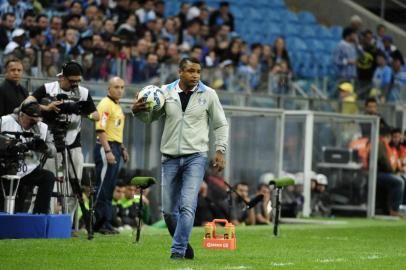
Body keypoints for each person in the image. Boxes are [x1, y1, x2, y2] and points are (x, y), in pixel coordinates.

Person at [132, 57, 229, 260]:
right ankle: (184, 246)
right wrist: (137, 112)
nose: (195, 75)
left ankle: (177, 251)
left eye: (198, 71)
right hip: (169, 158)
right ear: (180, 72)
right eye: (191, 71)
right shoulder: (164, 92)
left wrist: (220, 150)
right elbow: (150, 118)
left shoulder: (209, 94)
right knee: (168, 211)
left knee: (187, 205)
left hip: (196, 157)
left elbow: (221, 124)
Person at [27, 61, 99, 216]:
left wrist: (83, 112)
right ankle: (45, 217)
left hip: (73, 141)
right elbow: (26, 104)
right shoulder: (48, 88)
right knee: (48, 181)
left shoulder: (84, 93)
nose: (75, 84)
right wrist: (46, 107)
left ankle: (67, 220)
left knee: (75, 183)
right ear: (63, 78)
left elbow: (96, 114)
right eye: (72, 81)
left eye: (78, 81)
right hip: (51, 140)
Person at [0, 100, 56, 213]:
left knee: (48, 177)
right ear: (22, 115)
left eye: (36, 121)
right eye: (31, 120)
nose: (33, 124)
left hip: (28, 170)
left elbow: (53, 152)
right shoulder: (5, 121)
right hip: (5, 167)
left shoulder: (43, 127)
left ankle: (39, 215)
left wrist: (44, 147)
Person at [94, 76, 129, 234]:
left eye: (122, 87)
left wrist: (122, 148)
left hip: (115, 146)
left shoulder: (117, 105)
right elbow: (100, 129)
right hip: (105, 147)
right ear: (109, 89)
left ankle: (106, 223)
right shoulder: (105, 104)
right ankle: (98, 224)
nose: (119, 90)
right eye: (116, 87)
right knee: (102, 187)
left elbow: (115, 129)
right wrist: (107, 150)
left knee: (109, 187)